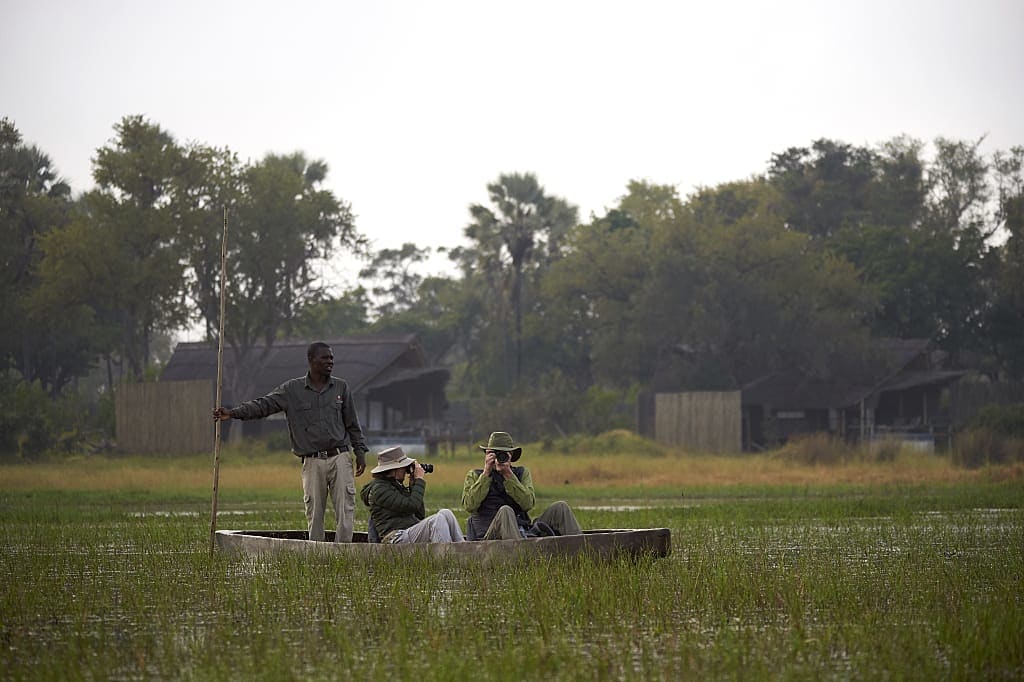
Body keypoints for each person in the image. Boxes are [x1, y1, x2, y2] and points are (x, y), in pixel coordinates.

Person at [212, 341, 368, 543]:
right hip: (312, 461)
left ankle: (344, 552)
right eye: (325, 358)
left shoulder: (341, 387)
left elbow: (352, 424)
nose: (330, 362)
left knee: (346, 509)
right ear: (311, 360)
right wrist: (233, 413)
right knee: (315, 512)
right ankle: (317, 554)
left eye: (331, 358)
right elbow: (263, 405)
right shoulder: (292, 390)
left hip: (340, 456)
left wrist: (360, 452)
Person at [462, 431, 582, 541]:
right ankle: (519, 557)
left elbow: (527, 504)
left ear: (511, 455)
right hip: (489, 535)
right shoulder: (475, 475)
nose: (499, 458)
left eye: (503, 454)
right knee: (505, 511)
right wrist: (486, 474)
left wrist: (509, 475)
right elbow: (469, 505)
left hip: (522, 532)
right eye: (495, 453)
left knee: (561, 507)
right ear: (488, 454)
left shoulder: (521, 473)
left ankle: (581, 550)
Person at [360, 446, 465, 544]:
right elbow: (411, 505)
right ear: (394, 469)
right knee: (437, 521)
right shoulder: (379, 489)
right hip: (395, 538)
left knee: (446, 513)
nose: (406, 471)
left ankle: (465, 551)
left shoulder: (396, 485)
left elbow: (419, 515)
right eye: (403, 467)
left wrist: (413, 485)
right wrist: (419, 481)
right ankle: (445, 558)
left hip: (408, 531)